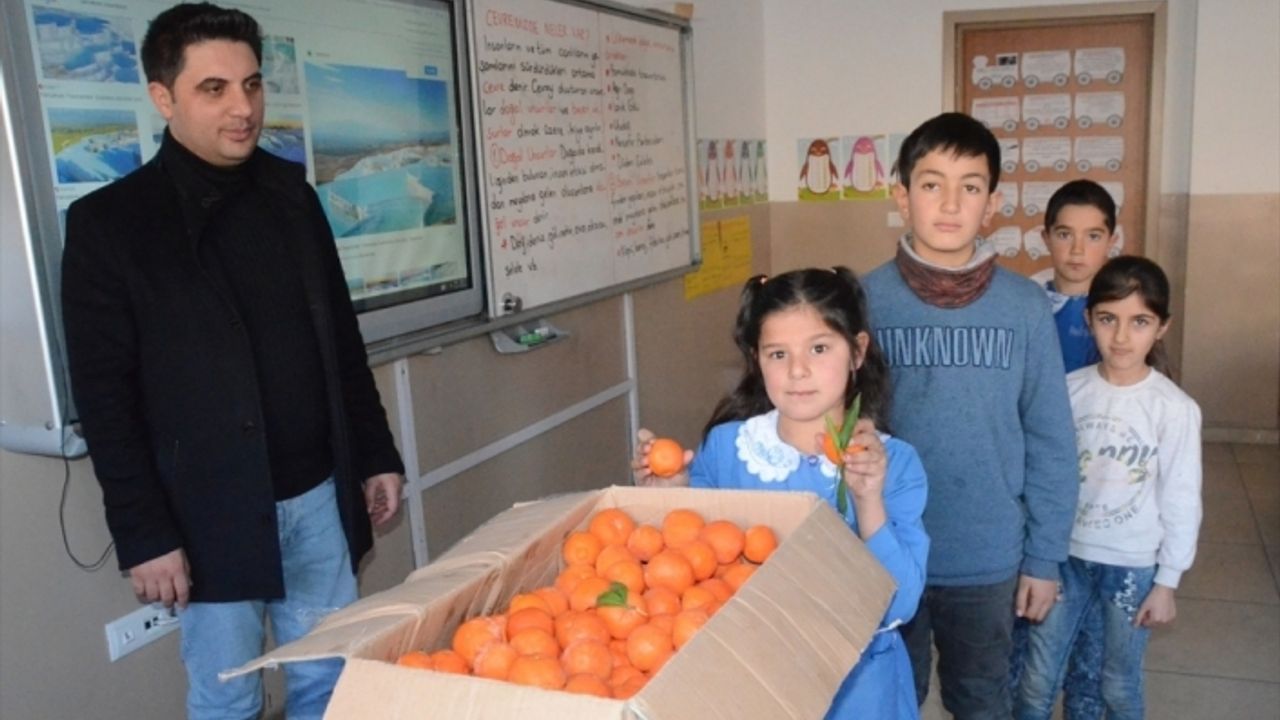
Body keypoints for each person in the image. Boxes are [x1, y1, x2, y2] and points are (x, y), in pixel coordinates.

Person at [60, 4, 405, 718]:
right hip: (207, 517)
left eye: (251, 85)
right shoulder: (109, 226)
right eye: (214, 89)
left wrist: (375, 453)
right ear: (164, 97)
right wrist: (144, 534)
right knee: (227, 700)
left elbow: (340, 342)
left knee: (329, 683)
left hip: (316, 498)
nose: (242, 107)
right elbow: (105, 399)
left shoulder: (291, 197)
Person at [634, 268, 930, 719]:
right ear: (757, 359)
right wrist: (667, 501)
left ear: (858, 351)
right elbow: (689, 575)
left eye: (819, 348)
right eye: (777, 353)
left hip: (860, 690)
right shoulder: (729, 448)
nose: (797, 370)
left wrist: (869, 500)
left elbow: (901, 605)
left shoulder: (896, 464)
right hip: (754, 680)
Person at [862, 112, 1079, 719]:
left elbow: (1052, 439)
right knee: (886, 698)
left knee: (981, 700)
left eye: (971, 186)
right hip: (882, 548)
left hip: (985, 554)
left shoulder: (1025, 307)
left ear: (993, 203)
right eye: (932, 184)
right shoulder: (863, 301)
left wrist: (1043, 557)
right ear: (902, 196)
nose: (950, 204)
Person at [1016, 256, 1202, 719]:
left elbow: (1181, 496)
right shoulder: (1067, 391)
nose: (1121, 337)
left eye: (1139, 321)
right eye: (1108, 319)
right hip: (1064, 559)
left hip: (1132, 569)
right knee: (1037, 679)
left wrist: (1167, 581)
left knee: (1115, 683)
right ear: (1088, 320)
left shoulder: (1173, 408)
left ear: (1162, 327)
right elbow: (1040, 472)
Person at [1011, 179, 1120, 718]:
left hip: (1103, 509)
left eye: (1093, 235)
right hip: (1034, 498)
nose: (1078, 251)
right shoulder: (1024, 307)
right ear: (1045, 237)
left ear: (1112, 240)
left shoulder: (1126, 315)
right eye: (1065, 234)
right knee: (1026, 643)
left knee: (1092, 655)